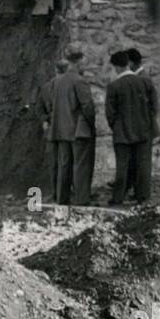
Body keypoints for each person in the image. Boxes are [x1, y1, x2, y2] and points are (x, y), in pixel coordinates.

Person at [110, 48, 158, 204]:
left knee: (122, 166)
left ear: (117, 66)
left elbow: (110, 113)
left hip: (122, 132)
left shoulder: (114, 86)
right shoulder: (145, 82)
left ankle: (118, 198)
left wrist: (116, 127)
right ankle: (142, 197)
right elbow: (155, 107)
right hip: (143, 131)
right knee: (143, 165)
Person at [49, 48, 96, 206]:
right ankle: (82, 200)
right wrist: (91, 124)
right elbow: (88, 107)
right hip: (78, 130)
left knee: (64, 165)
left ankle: (62, 198)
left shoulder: (57, 81)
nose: (85, 67)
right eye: (84, 64)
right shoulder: (79, 81)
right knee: (81, 166)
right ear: (78, 62)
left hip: (61, 130)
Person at [38, 60, 69, 200]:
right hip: (66, 128)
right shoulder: (68, 86)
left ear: (55, 70)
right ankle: (64, 193)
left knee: (55, 163)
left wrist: (45, 119)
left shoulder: (46, 87)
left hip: (52, 129)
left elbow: (39, 109)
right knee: (66, 161)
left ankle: (57, 193)